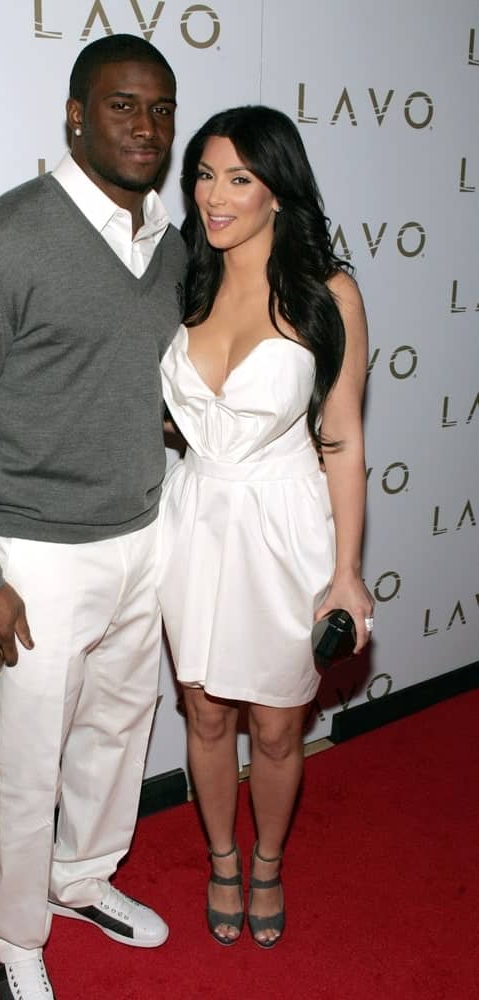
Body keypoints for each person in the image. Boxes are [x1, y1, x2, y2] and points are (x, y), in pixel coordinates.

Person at [0, 34, 185, 1000]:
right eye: (121, 106)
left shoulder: (172, 245)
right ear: (75, 115)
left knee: (118, 731)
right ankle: (16, 935)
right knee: (27, 762)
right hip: (33, 553)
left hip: (144, 537)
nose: (145, 127)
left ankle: (83, 877)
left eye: (160, 109)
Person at [156, 105, 374, 949]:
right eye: (205, 175)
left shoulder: (331, 294)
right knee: (205, 713)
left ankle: (270, 864)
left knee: (279, 723)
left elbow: (344, 437)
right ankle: (220, 859)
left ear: (278, 190)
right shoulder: (186, 278)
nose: (216, 196)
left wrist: (347, 573)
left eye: (239, 178)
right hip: (195, 518)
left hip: (286, 528)